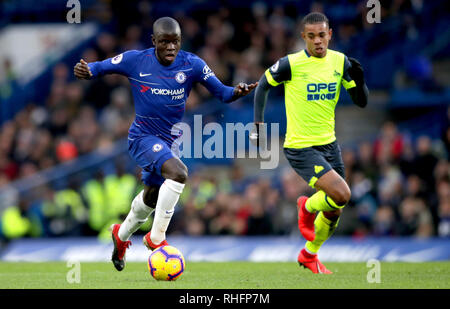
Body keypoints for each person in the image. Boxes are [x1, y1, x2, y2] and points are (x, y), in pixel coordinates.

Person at [74, 17, 257, 271]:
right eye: (165, 42)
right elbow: (101, 67)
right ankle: (157, 237)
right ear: (154, 42)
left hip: (167, 142)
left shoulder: (192, 64)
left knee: (151, 198)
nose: (171, 47)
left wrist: (237, 92)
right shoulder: (136, 60)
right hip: (141, 138)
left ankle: (121, 235)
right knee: (179, 173)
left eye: (175, 42)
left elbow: (222, 93)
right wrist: (88, 70)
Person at [250, 12, 368, 274]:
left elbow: (361, 102)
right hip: (300, 147)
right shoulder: (291, 64)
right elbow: (262, 85)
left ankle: (309, 254)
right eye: (312, 36)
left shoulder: (340, 62)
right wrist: (258, 124)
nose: (318, 41)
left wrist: (359, 80)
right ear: (303, 37)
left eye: (322, 35)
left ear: (330, 35)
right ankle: (307, 205)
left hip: (330, 145)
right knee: (342, 194)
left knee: (336, 207)